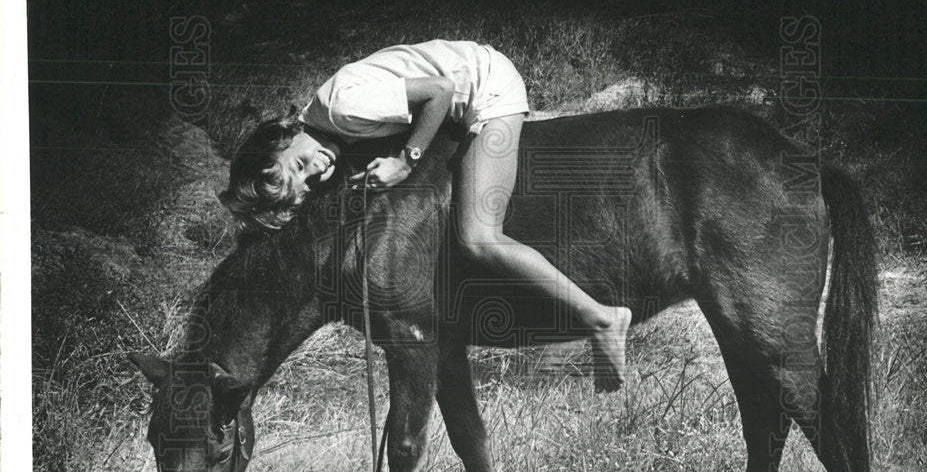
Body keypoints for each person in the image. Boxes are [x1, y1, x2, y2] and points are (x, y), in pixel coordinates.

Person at [219, 39, 631, 389]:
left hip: (487, 91)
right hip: (468, 94)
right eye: (306, 184)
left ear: (285, 135)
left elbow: (440, 90)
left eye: (297, 165)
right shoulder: (328, 123)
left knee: (479, 237)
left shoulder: (343, 107)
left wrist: (405, 161)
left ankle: (601, 319)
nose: (316, 171)